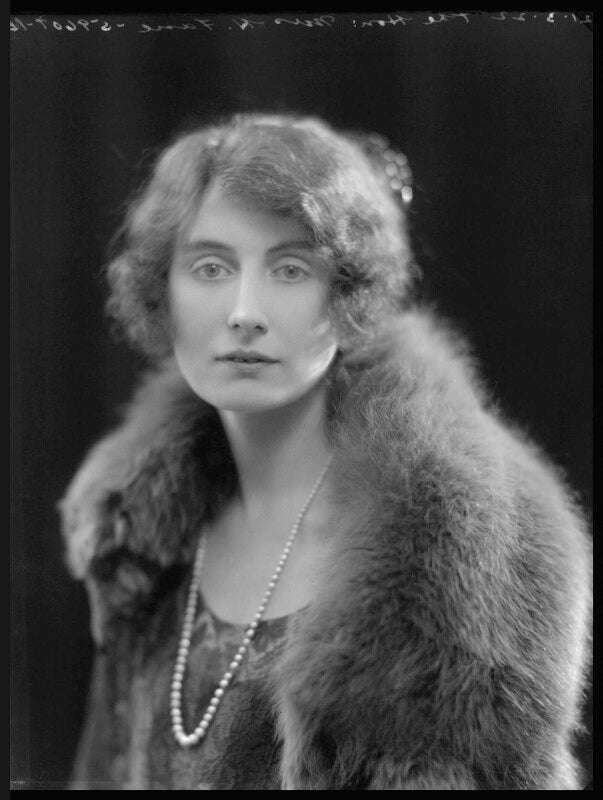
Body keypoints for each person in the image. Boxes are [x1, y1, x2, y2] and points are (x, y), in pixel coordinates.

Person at [59, 113, 591, 790]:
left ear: (347, 294)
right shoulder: (138, 540)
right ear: (161, 290)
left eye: (289, 269)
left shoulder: (462, 564)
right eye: (210, 267)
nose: (244, 311)